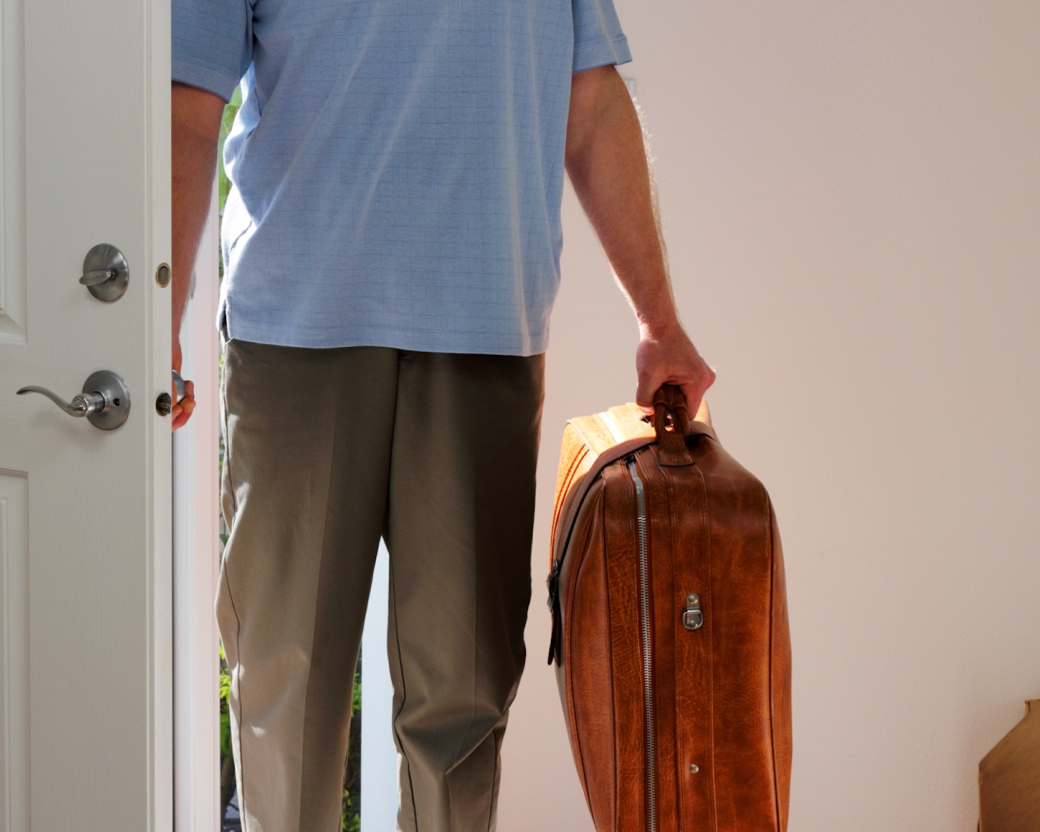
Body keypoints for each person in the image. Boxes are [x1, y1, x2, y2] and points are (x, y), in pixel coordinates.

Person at [168, 1, 715, 829]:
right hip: (299, 328)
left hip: (485, 328)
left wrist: (659, 321)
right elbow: (188, 104)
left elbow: (592, 99)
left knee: (461, 703)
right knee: (288, 686)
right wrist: (159, 315)